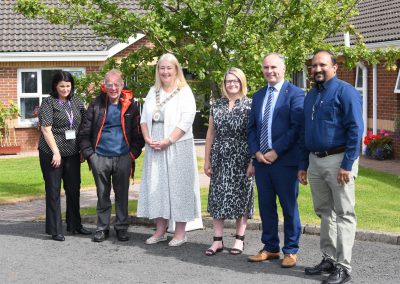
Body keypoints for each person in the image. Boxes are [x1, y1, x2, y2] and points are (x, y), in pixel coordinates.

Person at [298, 50, 363, 284]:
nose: (317, 69)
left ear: (334, 67)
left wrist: (347, 164)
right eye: (314, 66)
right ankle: (329, 258)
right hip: (315, 161)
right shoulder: (311, 96)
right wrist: (303, 164)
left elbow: (356, 129)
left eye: (322, 65)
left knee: (344, 213)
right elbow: (305, 132)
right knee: (325, 213)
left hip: (339, 160)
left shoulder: (346, 92)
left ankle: (343, 267)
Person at [137, 53, 201, 247]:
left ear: (176, 70)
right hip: (154, 143)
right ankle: (160, 230)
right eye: (161, 68)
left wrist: (168, 140)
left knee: (179, 187)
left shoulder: (184, 91)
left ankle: (180, 233)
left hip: (177, 144)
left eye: (169, 68)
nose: (165, 72)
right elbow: (143, 118)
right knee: (157, 186)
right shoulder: (152, 91)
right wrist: (147, 137)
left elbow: (187, 119)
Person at [247, 53, 304, 268]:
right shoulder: (258, 95)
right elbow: (252, 128)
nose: (269, 71)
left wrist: (275, 151)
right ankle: (270, 247)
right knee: (266, 207)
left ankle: (290, 250)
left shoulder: (296, 94)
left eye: (274, 67)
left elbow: (296, 128)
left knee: (289, 207)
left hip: (285, 162)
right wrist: (257, 152)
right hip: (262, 162)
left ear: (284, 68)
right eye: (265, 67)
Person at [79, 69, 144, 242]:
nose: (113, 88)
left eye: (116, 84)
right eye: (109, 85)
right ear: (104, 86)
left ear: (122, 85)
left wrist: (132, 155)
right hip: (99, 156)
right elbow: (84, 133)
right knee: (102, 195)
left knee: (122, 195)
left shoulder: (132, 106)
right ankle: (102, 228)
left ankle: (121, 227)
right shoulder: (96, 104)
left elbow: (139, 135)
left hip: (123, 156)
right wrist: (90, 156)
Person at [204, 67, 254, 256]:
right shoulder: (216, 105)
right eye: (228, 81)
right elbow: (210, 133)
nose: (231, 84)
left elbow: (254, 135)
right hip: (220, 156)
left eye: (235, 81)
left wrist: (252, 161)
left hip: (243, 156)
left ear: (242, 82)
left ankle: (239, 240)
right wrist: (207, 159)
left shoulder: (251, 105)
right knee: (218, 197)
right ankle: (217, 240)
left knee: (242, 197)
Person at [38, 71, 91, 241]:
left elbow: (85, 122)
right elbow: (46, 129)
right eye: (62, 86)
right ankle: (55, 229)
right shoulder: (48, 102)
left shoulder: (75, 101)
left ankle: (75, 224)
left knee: (73, 189)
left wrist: (83, 149)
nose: (65, 89)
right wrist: (56, 152)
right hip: (52, 153)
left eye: (68, 86)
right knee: (53, 190)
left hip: (73, 153)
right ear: (55, 86)